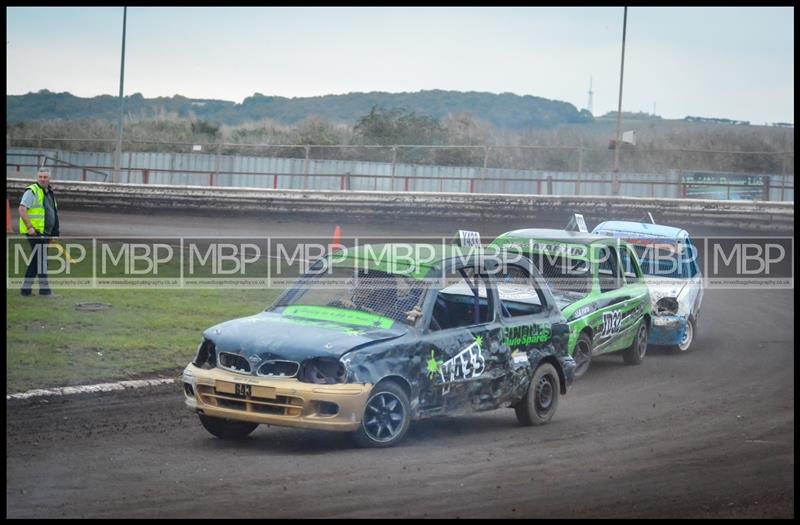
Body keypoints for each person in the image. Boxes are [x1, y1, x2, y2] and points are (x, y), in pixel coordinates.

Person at [19, 168, 60, 297]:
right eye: (40, 177)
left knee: (37, 260)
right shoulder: (32, 191)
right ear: (37, 178)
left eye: (45, 177)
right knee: (41, 260)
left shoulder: (49, 192)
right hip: (35, 232)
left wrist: (54, 233)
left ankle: (25, 290)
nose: (43, 179)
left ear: (49, 179)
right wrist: (30, 227)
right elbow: (21, 209)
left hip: (45, 233)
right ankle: (45, 291)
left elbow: (52, 213)